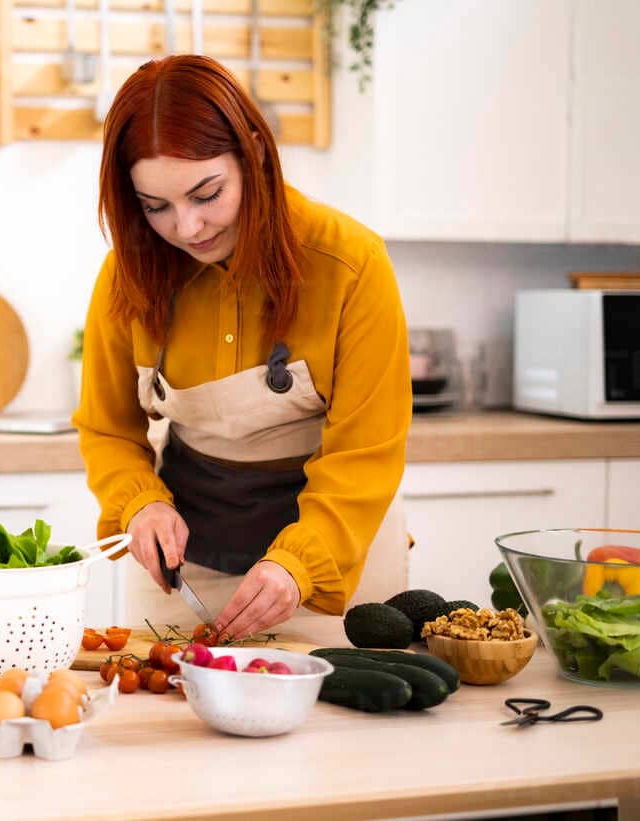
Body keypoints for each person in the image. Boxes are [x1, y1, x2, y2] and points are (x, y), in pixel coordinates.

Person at [71, 55, 412, 641]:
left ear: (254, 150)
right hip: (184, 574)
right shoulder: (127, 275)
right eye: (156, 207)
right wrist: (141, 503)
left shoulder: (351, 264)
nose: (187, 228)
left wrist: (297, 564)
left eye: (207, 194)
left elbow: (366, 453)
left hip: (333, 566)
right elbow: (108, 430)